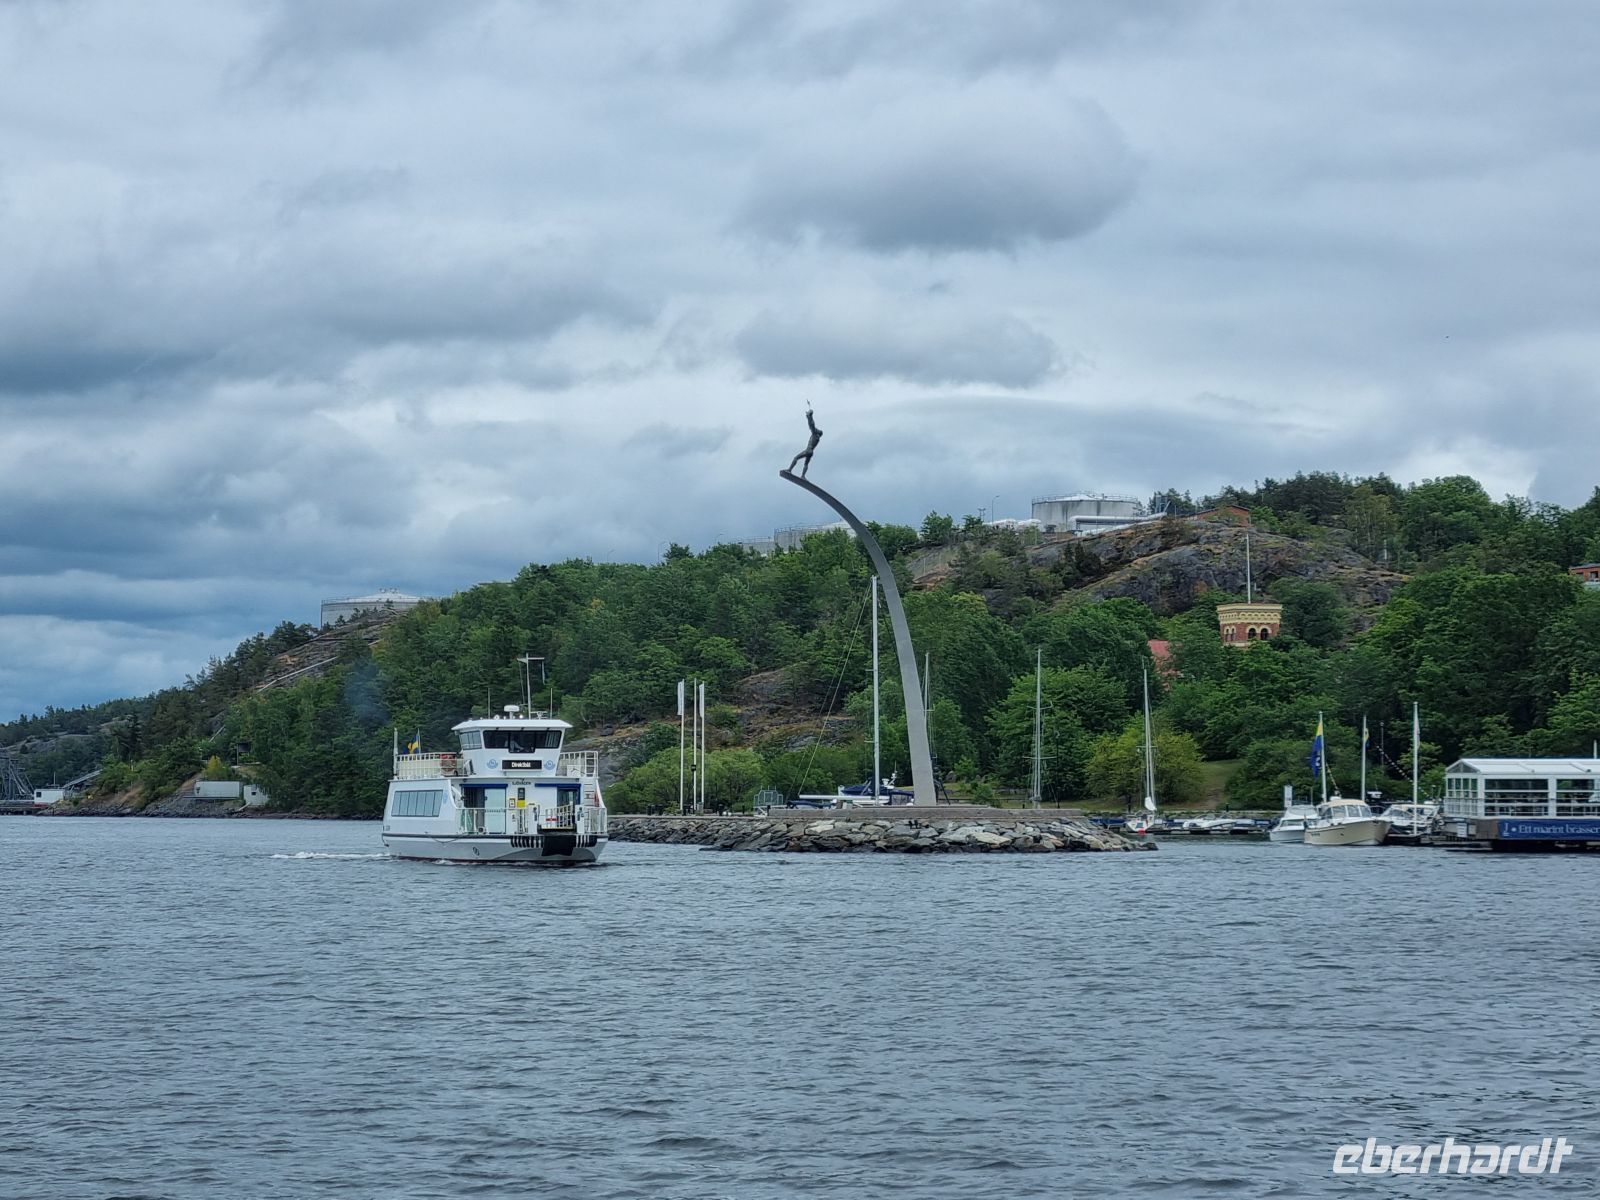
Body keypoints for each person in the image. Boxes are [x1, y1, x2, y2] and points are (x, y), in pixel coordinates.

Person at [787, 404, 822, 477]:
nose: (817, 429)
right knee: (806, 464)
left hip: (808, 450)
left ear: (818, 432)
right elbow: (812, 426)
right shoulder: (817, 438)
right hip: (811, 452)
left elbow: (812, 425)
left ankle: (789, 469)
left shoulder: (815, 435)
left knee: (796, 458)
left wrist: (810, 416)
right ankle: (803, 476)